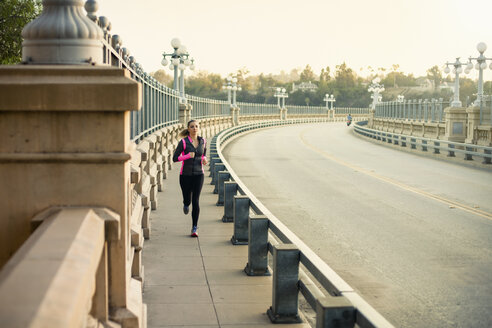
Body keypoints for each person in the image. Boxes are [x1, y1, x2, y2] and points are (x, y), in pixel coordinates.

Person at [173, 120, 208, 237]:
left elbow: (203, 154)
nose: (194, 128)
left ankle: (194, 228)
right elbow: (175, 158)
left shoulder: (203, 141)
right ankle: (186, 203)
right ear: (188, 129)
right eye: (192, 127)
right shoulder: (183, 142)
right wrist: (187, 156)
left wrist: (204, 159)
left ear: (199, 128)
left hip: (199, 175)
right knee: (188, 199)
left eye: (196, 126)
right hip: (185, 175)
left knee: (196, 200)